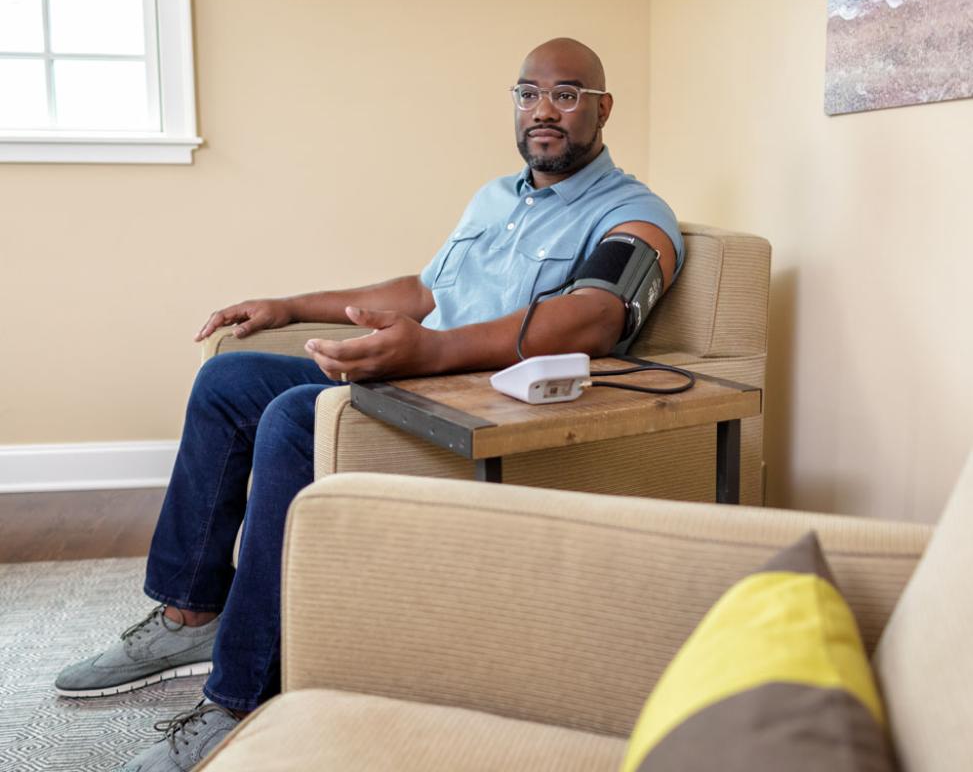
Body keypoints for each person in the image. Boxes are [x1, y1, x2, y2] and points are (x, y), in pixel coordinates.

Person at [54, 37, 684, 772]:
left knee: (296, 417)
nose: (542, 110)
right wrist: (288, 304)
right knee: (226, 383)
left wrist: (431, 351)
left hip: (473, 402)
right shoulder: (495, 198)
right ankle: (190, 613)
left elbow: (595, 319)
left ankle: (242, 701)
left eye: (566, 94)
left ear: (602, 108)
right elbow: (422, 294)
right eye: (527, 93)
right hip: (410, 373)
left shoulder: (636, 212)